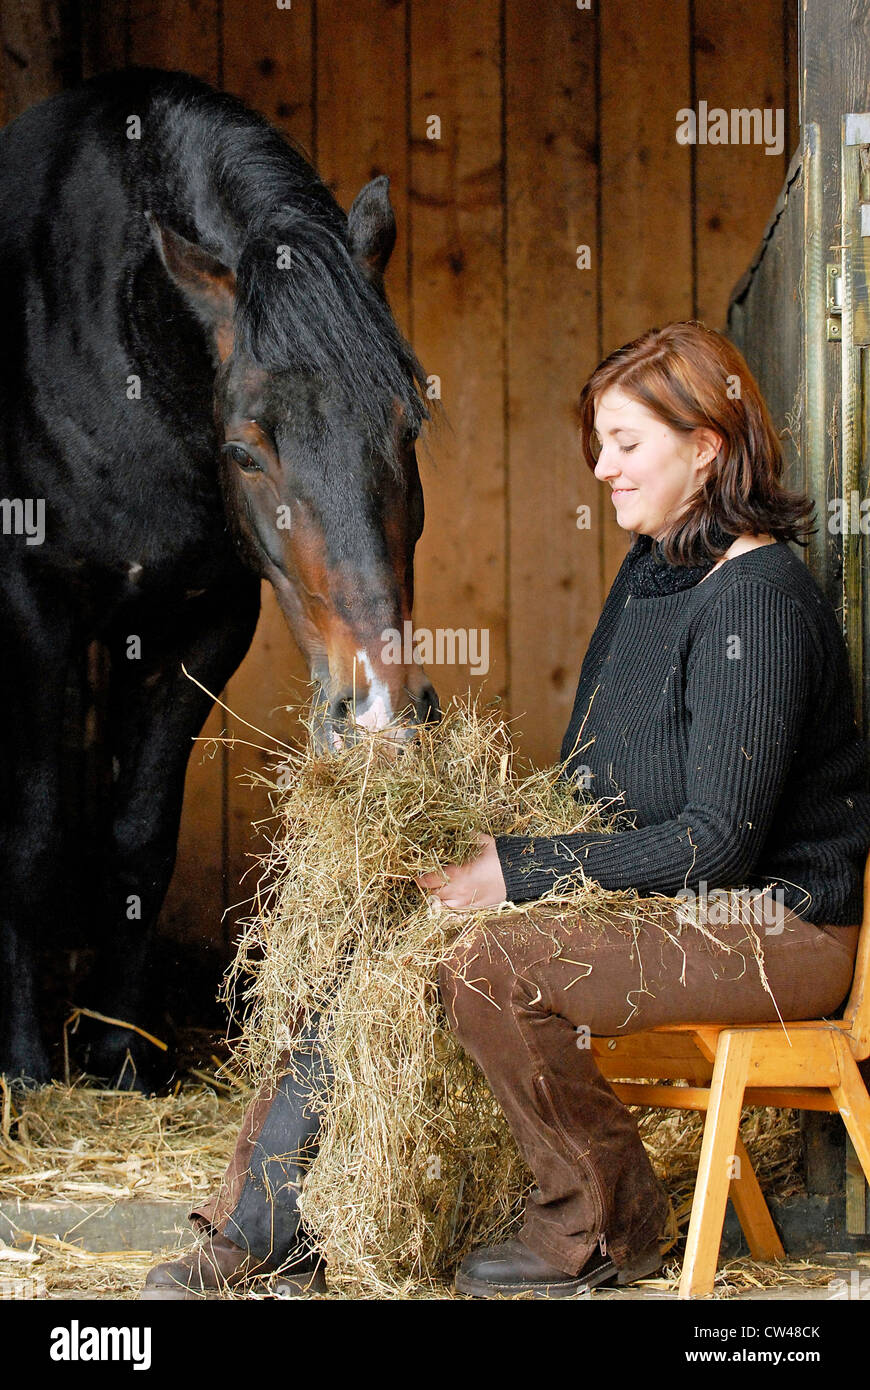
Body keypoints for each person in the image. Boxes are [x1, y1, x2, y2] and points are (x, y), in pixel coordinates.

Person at [141, 321, 870, 1300]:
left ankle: (603, 1222)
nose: (603, 469)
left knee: (494, 961)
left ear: (707, 444)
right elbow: (591, 783)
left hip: (774, 925)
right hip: (672, 898)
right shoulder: (653, 571)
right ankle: (260, 1227)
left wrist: (515, 874)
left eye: (626, 443)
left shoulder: (759, 601)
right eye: (598, 444)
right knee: (372, 920)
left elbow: (718, 843)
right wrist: (433, 798)